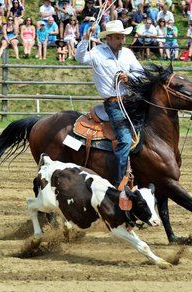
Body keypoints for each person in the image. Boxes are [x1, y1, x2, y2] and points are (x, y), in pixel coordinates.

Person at [75, 20, 144, 187]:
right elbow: (80, 58)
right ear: (109, 38)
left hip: (130, 101)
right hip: (113, 104)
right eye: (119, 38)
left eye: (123, 37)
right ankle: (120, 180)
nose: (122, 41)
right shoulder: (97, 52)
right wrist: (85, 39)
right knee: (125, 140)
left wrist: (130, 77)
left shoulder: (127, 53)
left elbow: (140, 72)